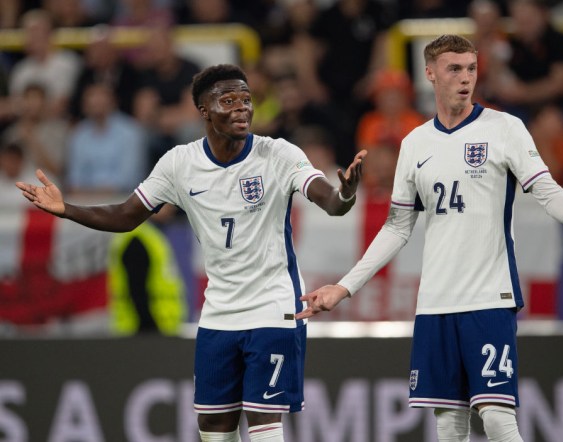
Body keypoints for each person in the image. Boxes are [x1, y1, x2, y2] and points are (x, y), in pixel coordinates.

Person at [295, 35, 563, 442]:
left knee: (496, 417)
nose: (465, 78)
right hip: (436, 302)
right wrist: (344, 288)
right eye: (454, 69)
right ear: (431, 74)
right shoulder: (416, 143)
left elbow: (544, 188)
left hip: (488, 296)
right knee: (449, 425)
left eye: (471, 68)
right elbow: (398, 226)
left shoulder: (505, 128)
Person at [16, 63, 367, 442]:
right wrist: (67, 209)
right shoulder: (179, 164)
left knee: (264, 420)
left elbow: (329, 201)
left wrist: (345, 192)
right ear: (204, 110)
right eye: (228, 100)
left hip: (274, 306)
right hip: (219, 311)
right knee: (214, 426)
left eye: (246, 100)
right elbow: (124, 216)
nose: (241, 108)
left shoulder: (277, 154)